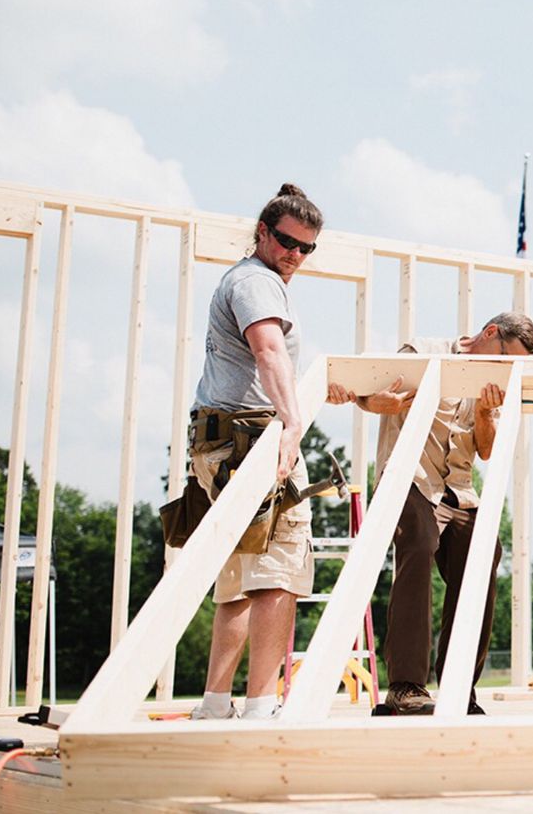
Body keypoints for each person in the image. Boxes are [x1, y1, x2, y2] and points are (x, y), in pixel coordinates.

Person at [327, 313, 533, 716]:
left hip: (458, 490)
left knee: (484, 555)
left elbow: (486, 450)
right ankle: (406, 687)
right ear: (489, 334)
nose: (506, 370)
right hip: (411, 478)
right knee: (419, 546)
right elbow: (368, 392)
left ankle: (460, 685)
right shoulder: (423, 352)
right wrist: (374, 403)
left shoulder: (493, 382)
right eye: (504, 358)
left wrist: (484, 416)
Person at [187, 184, 324, 720]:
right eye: (288, 242)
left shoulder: (246, 279)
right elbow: (268, 352)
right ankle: (263, 702)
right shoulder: (256, 283)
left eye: (307, 248)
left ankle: (216, 704)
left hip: (221, 437)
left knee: (240, 576)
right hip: (251, 438)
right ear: (262, 232)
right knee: (277, 572)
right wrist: (291, 424)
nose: (295, 255)